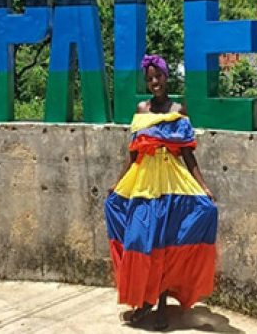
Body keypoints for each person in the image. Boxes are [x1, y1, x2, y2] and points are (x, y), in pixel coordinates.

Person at [104, 54, 218, 331]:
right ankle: (145, 302)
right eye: (150, 78)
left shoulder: (179, 109)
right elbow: (133, 154)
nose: (155, 82)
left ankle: (164, 307)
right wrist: (118, 183)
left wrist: (203, 187)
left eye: (159, 76)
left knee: (167, 245)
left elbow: (188, 155)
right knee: (141, 242)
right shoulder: (142, 109)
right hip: (143, 184)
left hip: (172, 186)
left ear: (167, 77)